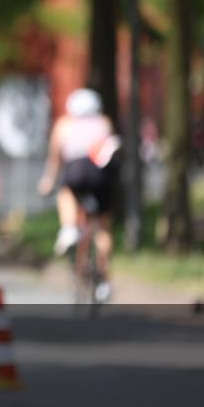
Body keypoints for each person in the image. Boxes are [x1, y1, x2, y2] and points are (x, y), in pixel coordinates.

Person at [36, 88, 119, 300]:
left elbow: (55, 158)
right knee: (103, 228)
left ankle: (69, 227)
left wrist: (48, 181)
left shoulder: (64, 124)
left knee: (65, 192)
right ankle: (104, 281)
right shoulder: (104, 122)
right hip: (102, 174)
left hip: (77, 171)